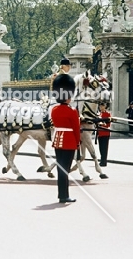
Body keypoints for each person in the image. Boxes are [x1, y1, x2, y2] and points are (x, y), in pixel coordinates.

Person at [50, 74, 80, 204]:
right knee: (65, 169)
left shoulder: (54, 109)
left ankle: (61, 194)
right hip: (69, 141)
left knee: (60, 168)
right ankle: (64, 196)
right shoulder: (72, 111)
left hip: (58, 140)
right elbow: (76, 128)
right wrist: (78, 142)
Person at [97, 102, 111, 167]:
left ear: (105, 107)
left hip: (105, 133)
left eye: (102, 106)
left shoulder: (108, 114)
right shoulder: (98, 114)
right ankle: (102, 160)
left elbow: (108, 124)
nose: (101, 107)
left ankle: (104, 161)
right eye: (100, 106)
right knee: (100, 148)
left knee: (104, 148)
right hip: (100, 133)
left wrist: (102, 124)